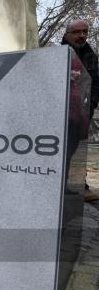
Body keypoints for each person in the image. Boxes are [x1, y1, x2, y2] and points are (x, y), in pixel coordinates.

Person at [62, 19, 99, 202]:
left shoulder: (90, 55)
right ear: (67, 34)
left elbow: (96, 82)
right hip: (61, 113)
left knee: (75, 150)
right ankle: (57, 185)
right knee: (60, 151)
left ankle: (79, 184)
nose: (82, 35)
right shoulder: (58, 52)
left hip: (82, 113)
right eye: (77, 32)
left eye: (85, 31)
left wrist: (92, 104)